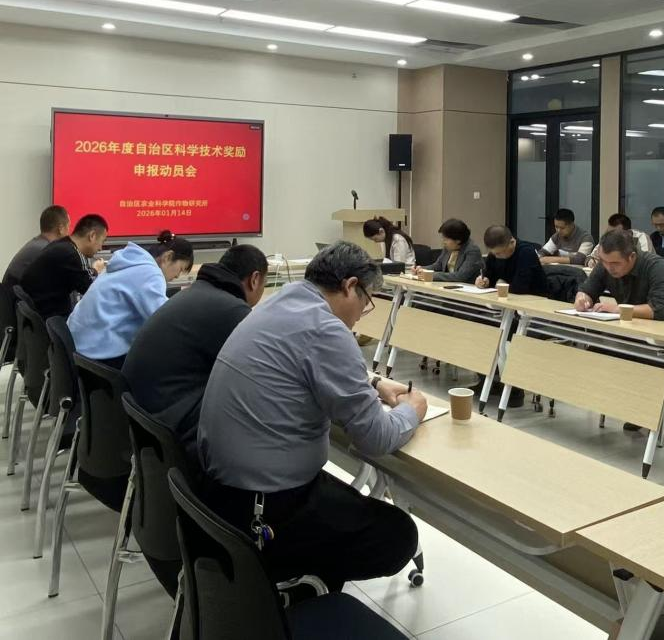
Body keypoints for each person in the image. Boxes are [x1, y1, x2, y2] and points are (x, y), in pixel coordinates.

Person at [198, 241, 427, 592]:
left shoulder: (280, 301)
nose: (361, 314)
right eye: (366, 302)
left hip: (220, 490)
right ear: (350, 285)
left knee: (349, 503)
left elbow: (301, 361)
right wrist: (413, 409)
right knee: (398, 534)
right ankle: (297, 585)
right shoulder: (327, 328)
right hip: (262, 507)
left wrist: (374, 382)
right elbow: (377, 438)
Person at [121, 243, 268, 595]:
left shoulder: (193, 294)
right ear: (254, 280)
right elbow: (269, 374)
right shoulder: (231, 310)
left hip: (150, 436)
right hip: (177, 441)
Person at [68, 230, 194, 368]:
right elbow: (165, 321)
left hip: (78, 344)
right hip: (97, 355)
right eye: (180, 269)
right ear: (168, 257)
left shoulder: (131, 262)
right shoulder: (150, 273)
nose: (177, 276)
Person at [576, 229, 664, 324]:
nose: (609, 267)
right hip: (634, 325)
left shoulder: (657, 266)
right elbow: (587, 291)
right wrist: (582, 299)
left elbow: (658, 310)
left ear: (632, 257)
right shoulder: (606, 264)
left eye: (615, 263)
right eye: (604, 261)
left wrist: (617, 309)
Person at [20, 214, 109, 319]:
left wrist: (93, 271)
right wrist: (98, 272)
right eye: (102, 241)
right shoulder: (72, 254)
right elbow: (92, 290)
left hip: (39, 312)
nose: (100, 248)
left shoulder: (62, 245)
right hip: (50, 318)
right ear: (92, 236)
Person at [3, 205, 70, 287]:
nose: (69, 232)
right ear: (61, 229)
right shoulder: (45, 250)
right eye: (68, 227)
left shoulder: (38, 244)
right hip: (14, 294)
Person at [475, 225, 547, 296]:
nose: (496, 257)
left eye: (499, 253)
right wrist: (484, 281)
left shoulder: (526, 252)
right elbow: (489, 276)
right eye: (494, 253)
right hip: (508, 297)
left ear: (511, 242)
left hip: (536, 297)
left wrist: (502, 285)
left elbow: (521, 287)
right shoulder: (494, 254)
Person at [420, 218, 482, 283]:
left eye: (446, 239)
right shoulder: (449, 247)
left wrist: (432, 275)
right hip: (449, 285)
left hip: (466, 287)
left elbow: (460, 276)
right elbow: (438, 265)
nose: (444, 242)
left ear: (458, 240)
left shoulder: (472, 250)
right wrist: (422, 269)